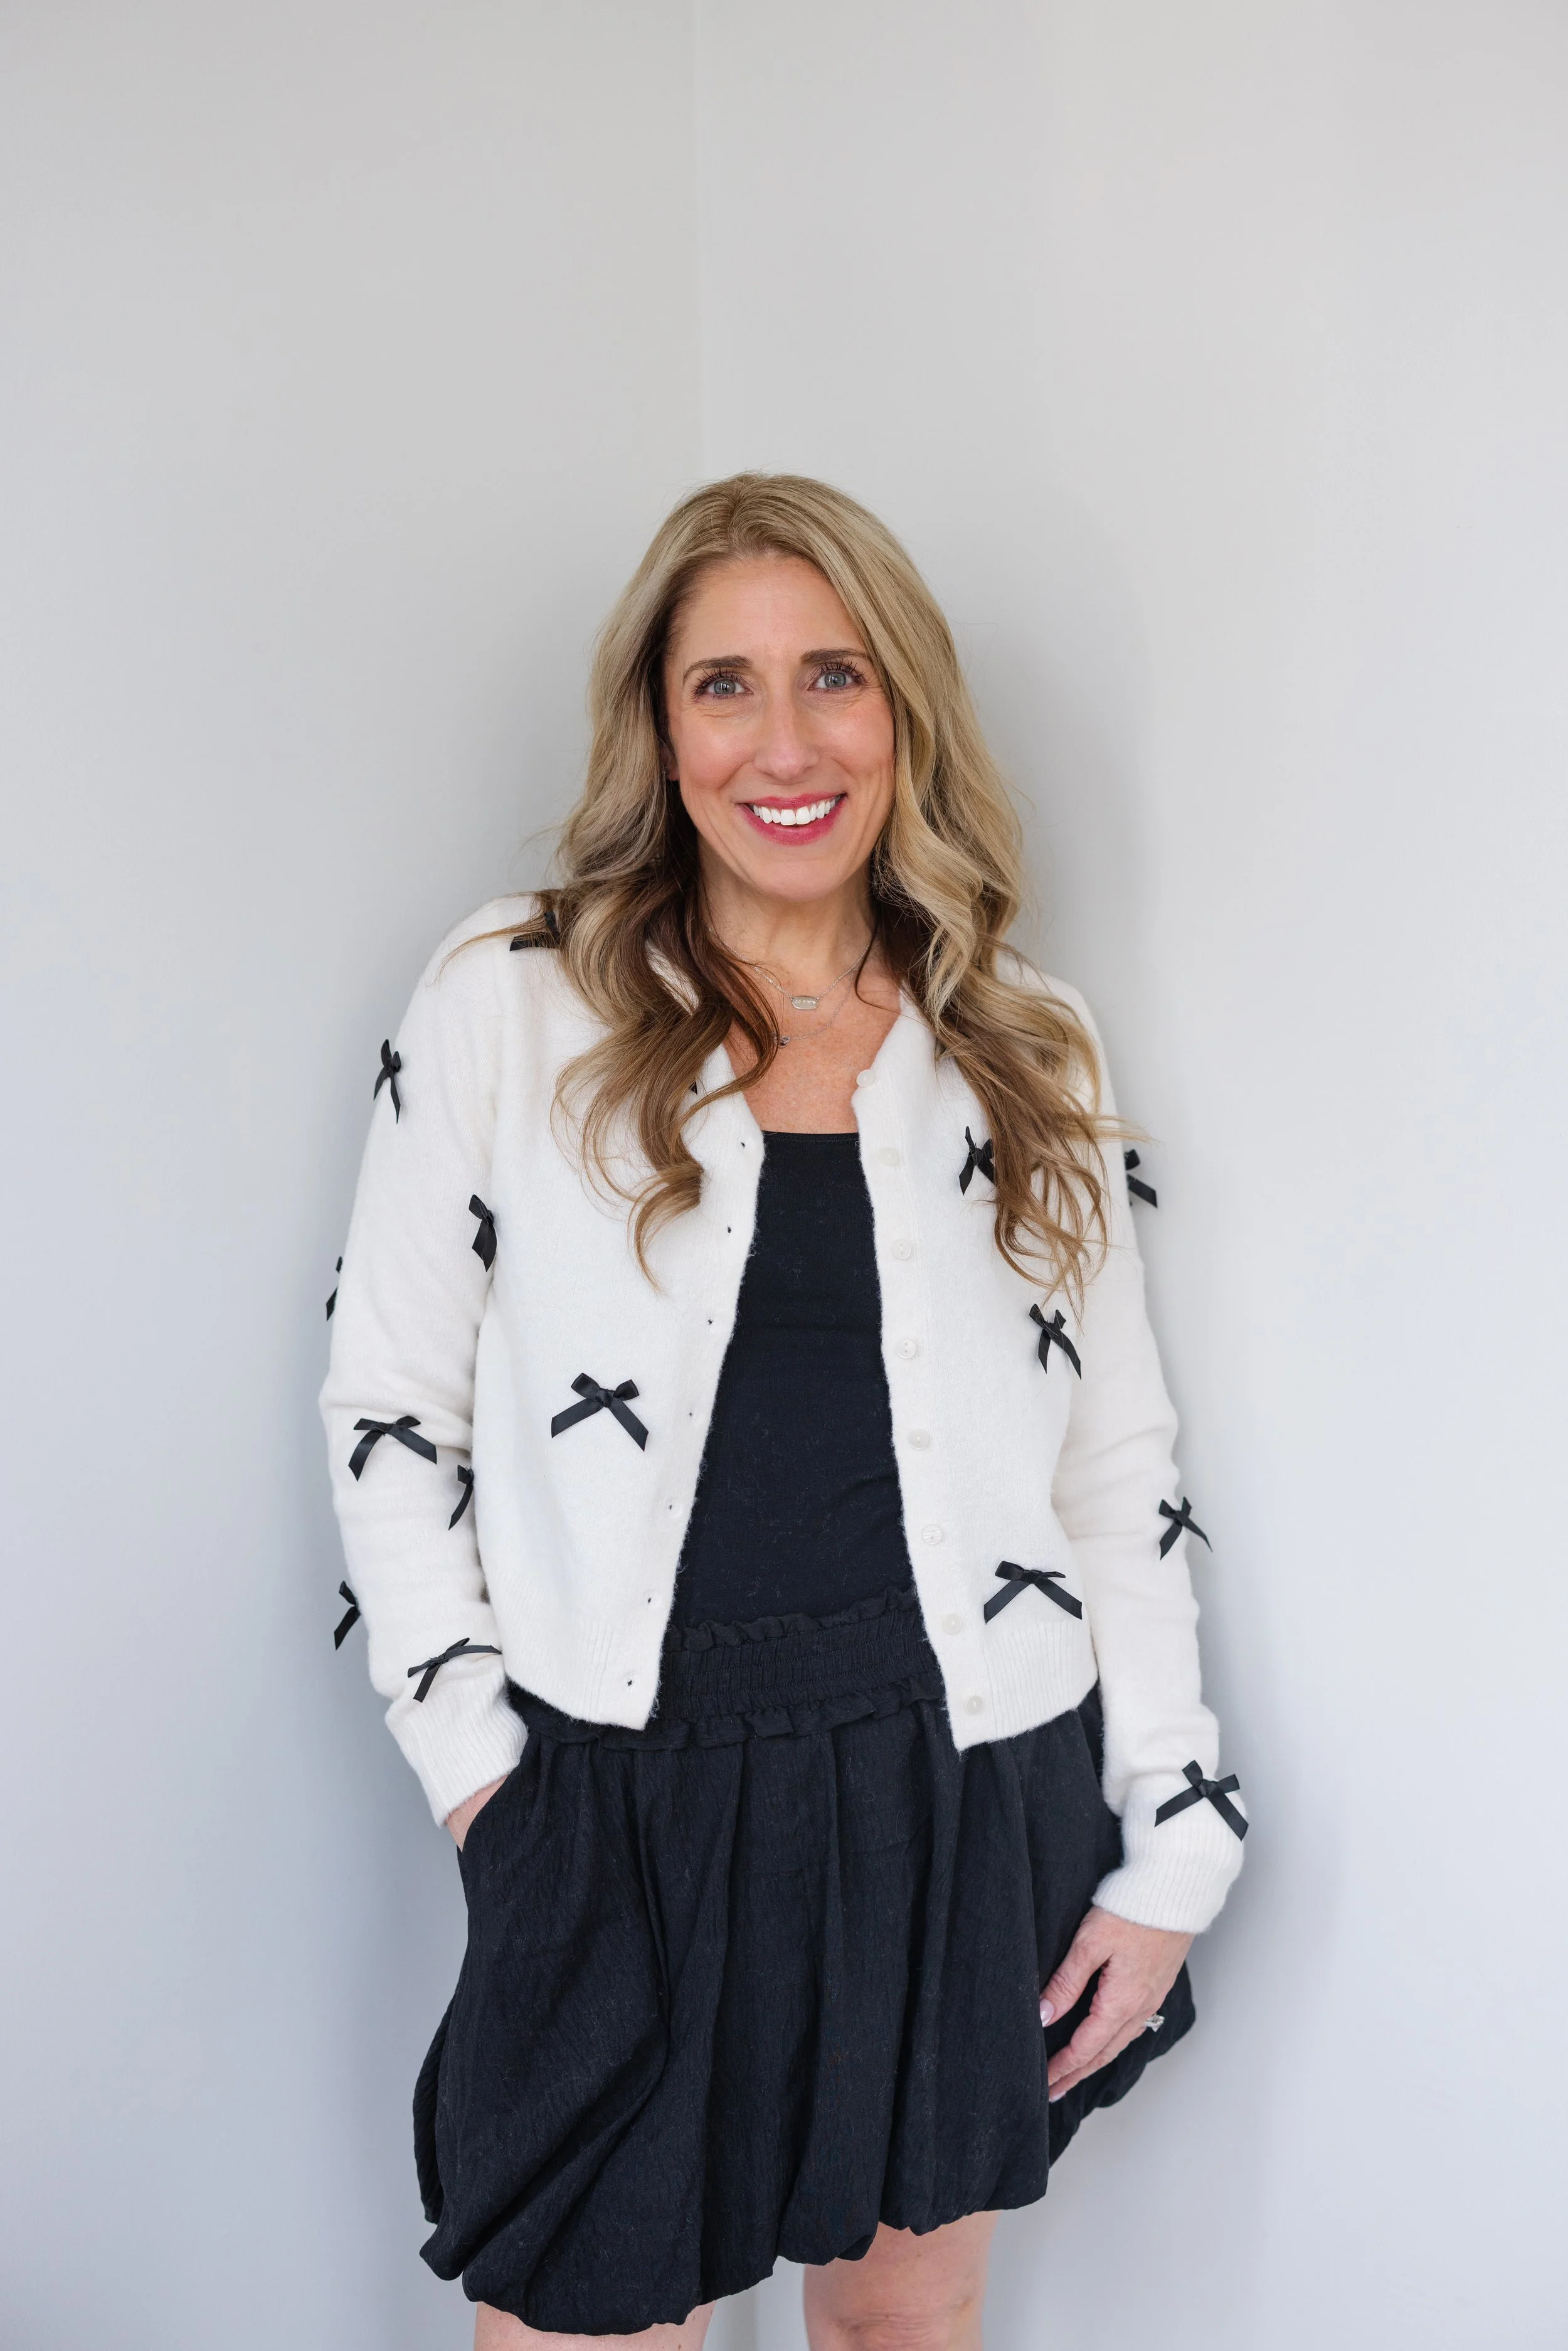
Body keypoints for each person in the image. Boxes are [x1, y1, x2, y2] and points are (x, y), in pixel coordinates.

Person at [319, 472, 1248, 2351]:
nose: (784, 740)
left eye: (833, 675)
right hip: (618, 1805)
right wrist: (489, 1786)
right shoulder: (513, 997)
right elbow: (385, 1415)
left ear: (903, 709)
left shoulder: (1025, 1042)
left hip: (963, 1781)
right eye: (721, 685)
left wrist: (1174, 1844)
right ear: (657, 733)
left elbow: (1115, 1469)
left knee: (902, 2324)